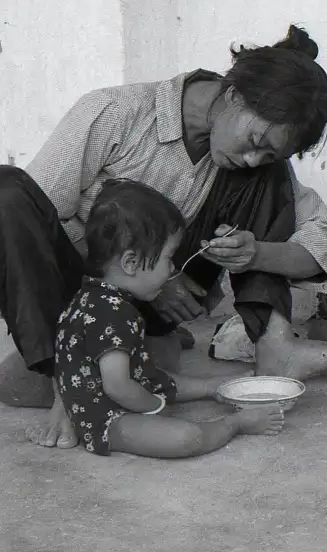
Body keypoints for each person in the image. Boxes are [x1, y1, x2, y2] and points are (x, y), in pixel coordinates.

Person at [0, 24, 327, 450]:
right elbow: (35, 222)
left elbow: (321, 245)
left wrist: (255, 253)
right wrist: (142, 271)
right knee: (1, 191)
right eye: (254, 141)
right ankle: (64, 376)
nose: (252, 158)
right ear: (233, 95)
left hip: (152, 298)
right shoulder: (115, 113)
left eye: (268, 152)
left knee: (265, 181)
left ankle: (275, 345)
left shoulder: (257, 166)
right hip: (83, 294)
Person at [56, 178, 283, 458]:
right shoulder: (112, 313)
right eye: (169, 258)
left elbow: (141, 375)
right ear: (131, 263)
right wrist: (153, 407)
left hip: (115, 394)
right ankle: (236, 423)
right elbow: (117, 386)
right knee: (187, 438)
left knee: (158, 376)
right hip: (107, 418)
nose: (173, 268)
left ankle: (214, 387)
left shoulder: (92, 296)